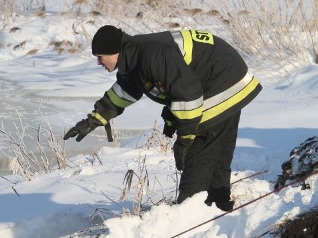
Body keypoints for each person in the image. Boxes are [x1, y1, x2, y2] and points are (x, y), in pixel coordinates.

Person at [63, 25, 262, 211]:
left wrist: (185, 140)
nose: (99, 62)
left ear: (115, 51)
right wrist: (93, 121)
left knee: (200, 147)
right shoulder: (134, 58)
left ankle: (190, 212)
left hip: (224, 79)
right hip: (226, 78)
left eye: (100, 56)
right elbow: (123, 92)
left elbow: (188, 95)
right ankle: (218, 203)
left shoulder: (152, 56)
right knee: (217, 147)